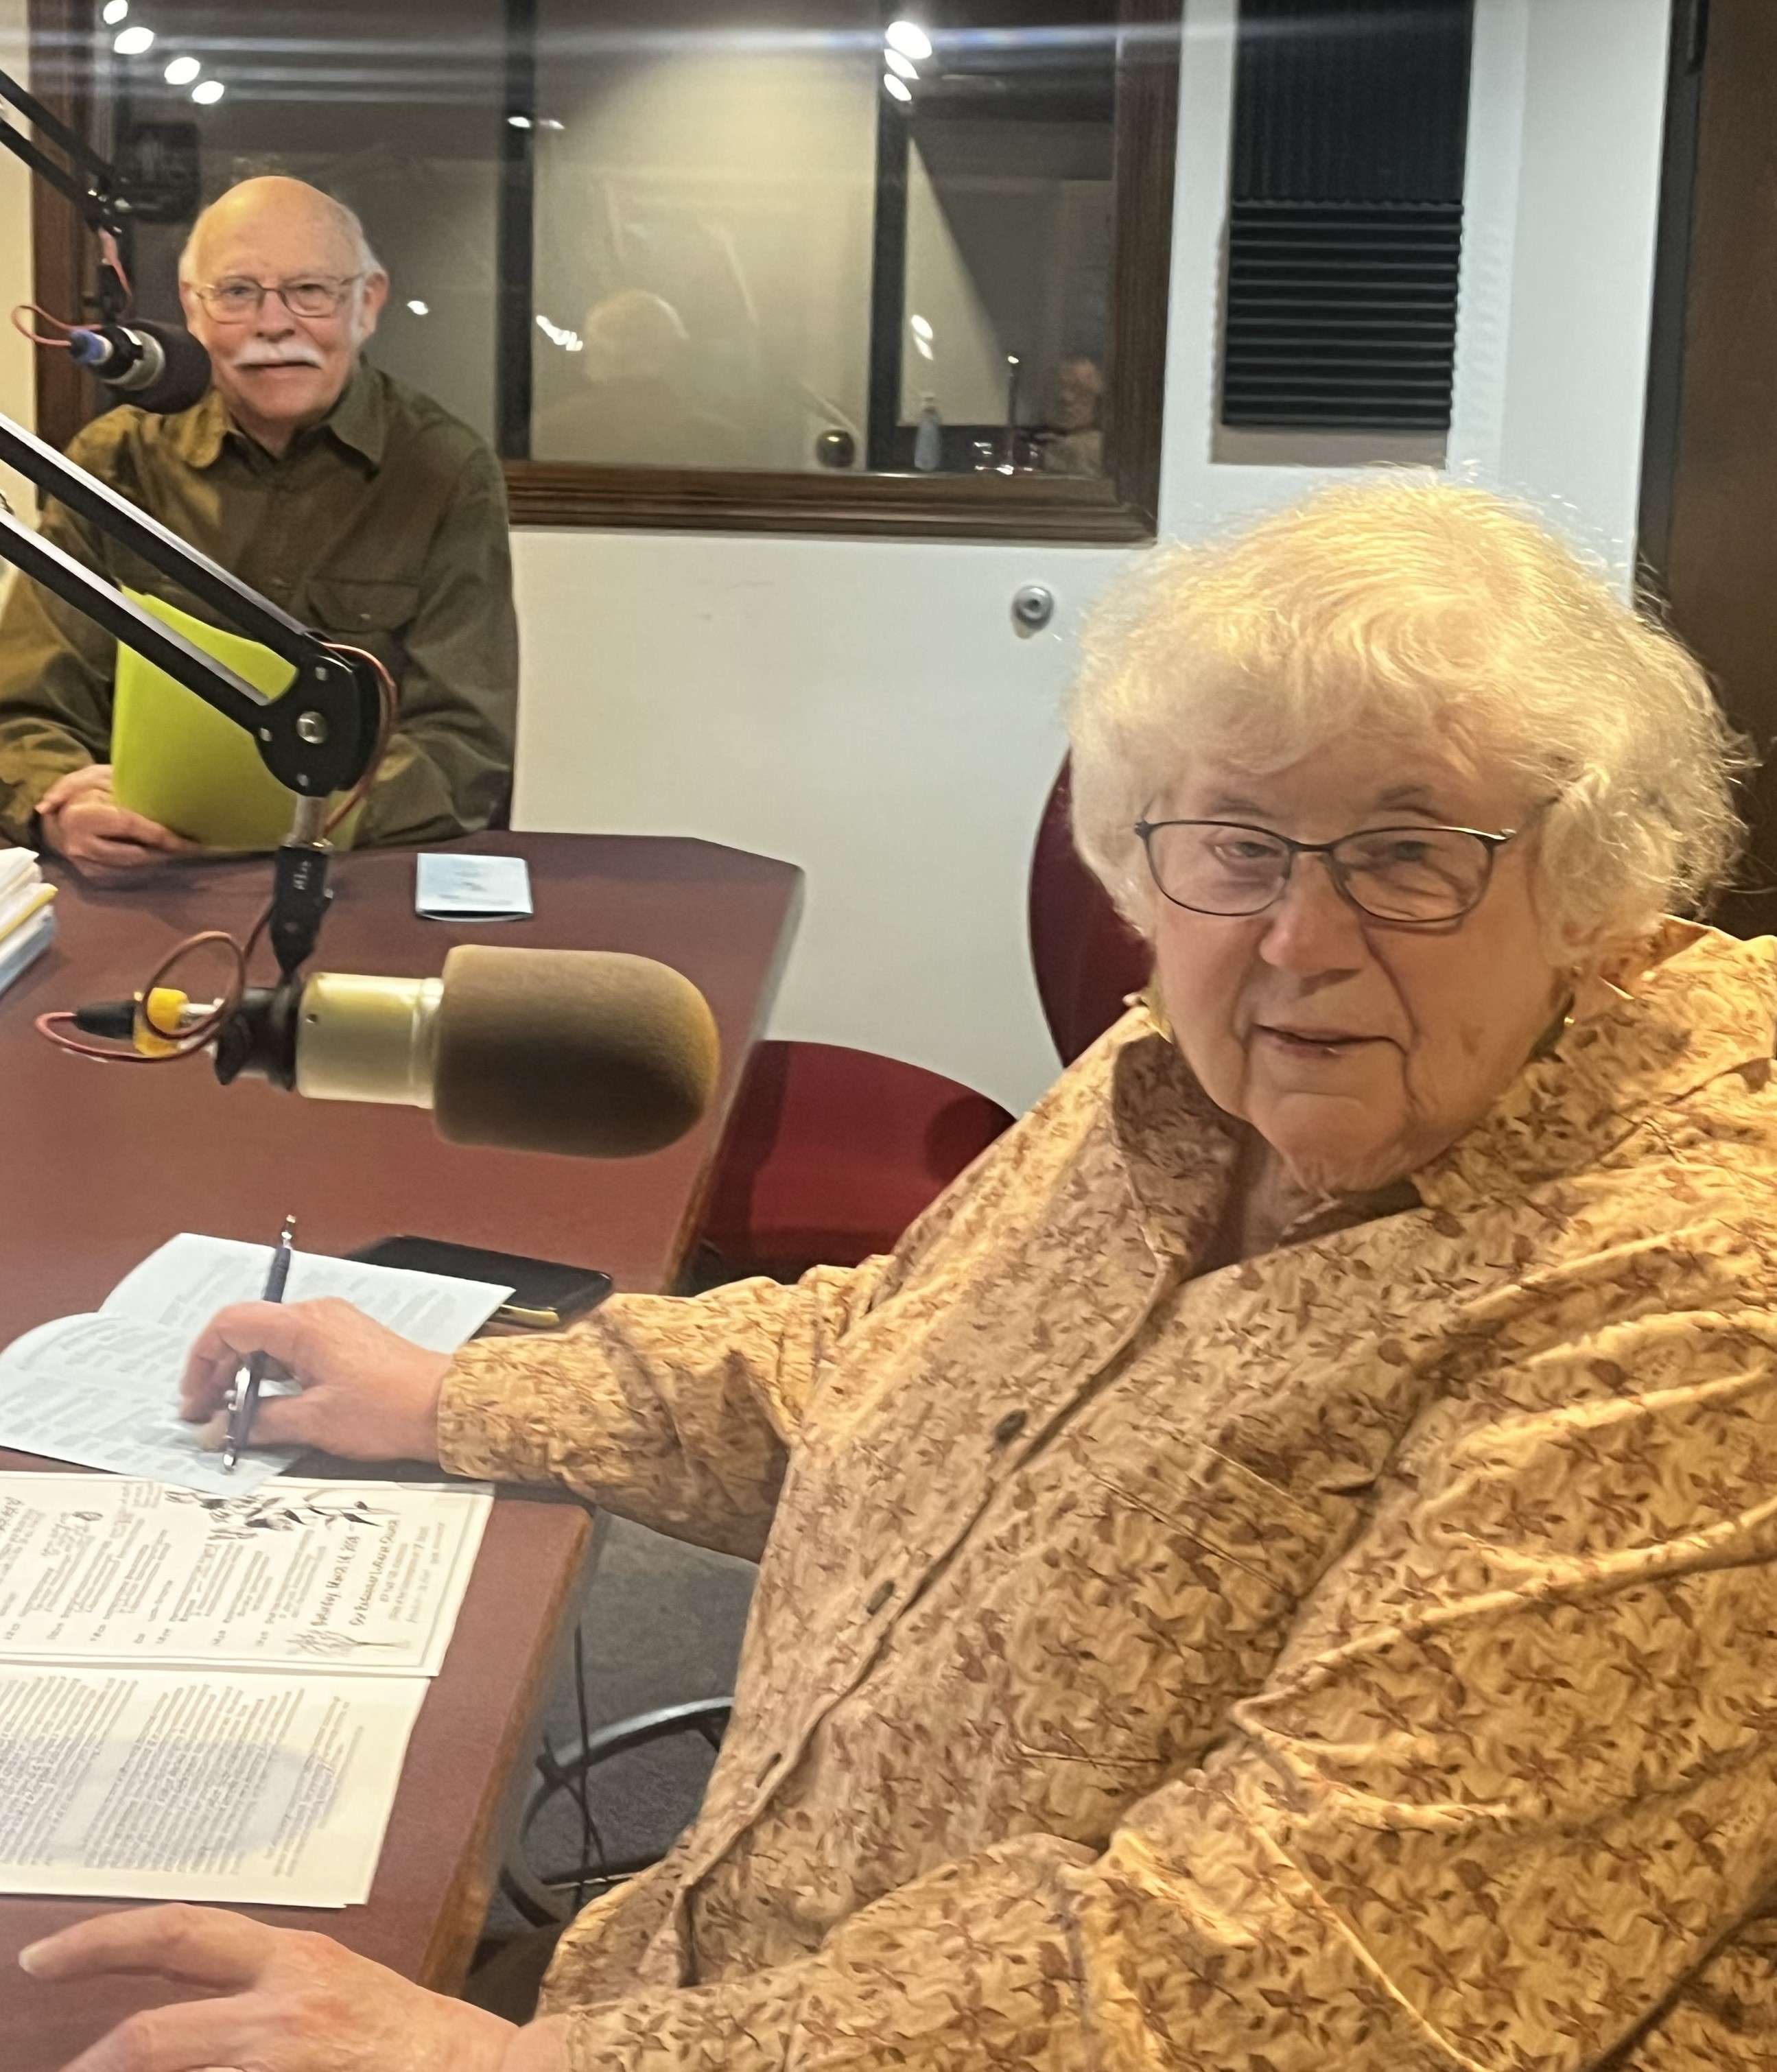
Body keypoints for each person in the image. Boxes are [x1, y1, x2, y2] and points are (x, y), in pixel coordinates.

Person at [24, 478, 1777, 2071]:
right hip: (729, 1980)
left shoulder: (1697, 1305)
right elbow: (892, 1353)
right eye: (1235, 845)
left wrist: (526, 2064)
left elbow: (1280, 1979)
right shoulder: (1167, 1076)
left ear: (1587, 881)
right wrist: (461, 1391)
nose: (1300, 941)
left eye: (1407, 851)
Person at [0, 176, 518, 867]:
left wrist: (282, 821)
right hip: (139, 877)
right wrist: (62, 805)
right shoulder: (114, 462)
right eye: (239, 292)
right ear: (193, 307)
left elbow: (462, 747)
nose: (275, 326)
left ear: (368, 301)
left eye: (311, 291)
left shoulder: (446, 471)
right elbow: (27, 710)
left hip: (351, 874)